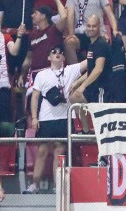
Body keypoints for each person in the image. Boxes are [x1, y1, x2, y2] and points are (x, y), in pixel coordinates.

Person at [27, 45, 84, 193]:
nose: (57, 53)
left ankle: (56, 186)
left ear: (64, 57)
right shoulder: (42, 75)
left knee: (60, 151)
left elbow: (91, 62)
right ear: (49, 57)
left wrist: (79, 82)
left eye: (60, 52)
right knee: (42, 151)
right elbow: (35, 96)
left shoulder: (71, 70)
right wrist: (34, 117)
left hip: (65, 117)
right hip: (46, 118)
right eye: (54, 52)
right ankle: (35, 185)